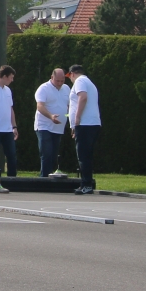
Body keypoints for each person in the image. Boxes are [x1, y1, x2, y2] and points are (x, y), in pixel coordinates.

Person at [68, 64, 101, 195]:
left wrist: (77, 118)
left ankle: (86, 184)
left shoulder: (80, 81)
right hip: (91, 123)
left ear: (72, 74)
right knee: (86, 155)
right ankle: (87, 182)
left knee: (83, 156)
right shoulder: (89, 82)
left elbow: (83, 97)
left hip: (85, 124)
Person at [34, 68, 71, 178]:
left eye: (62, 81)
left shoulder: (66, 89)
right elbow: (40, 106)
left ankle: (50, 179)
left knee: (53, 155)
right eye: (57, 81)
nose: (60, 83)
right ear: (52, 77)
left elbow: (68, 106)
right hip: (44, 126)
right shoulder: (44, 88)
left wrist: (68, 118)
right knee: (46, 154)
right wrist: (51, 116)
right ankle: (44, 179)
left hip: (58, 128)